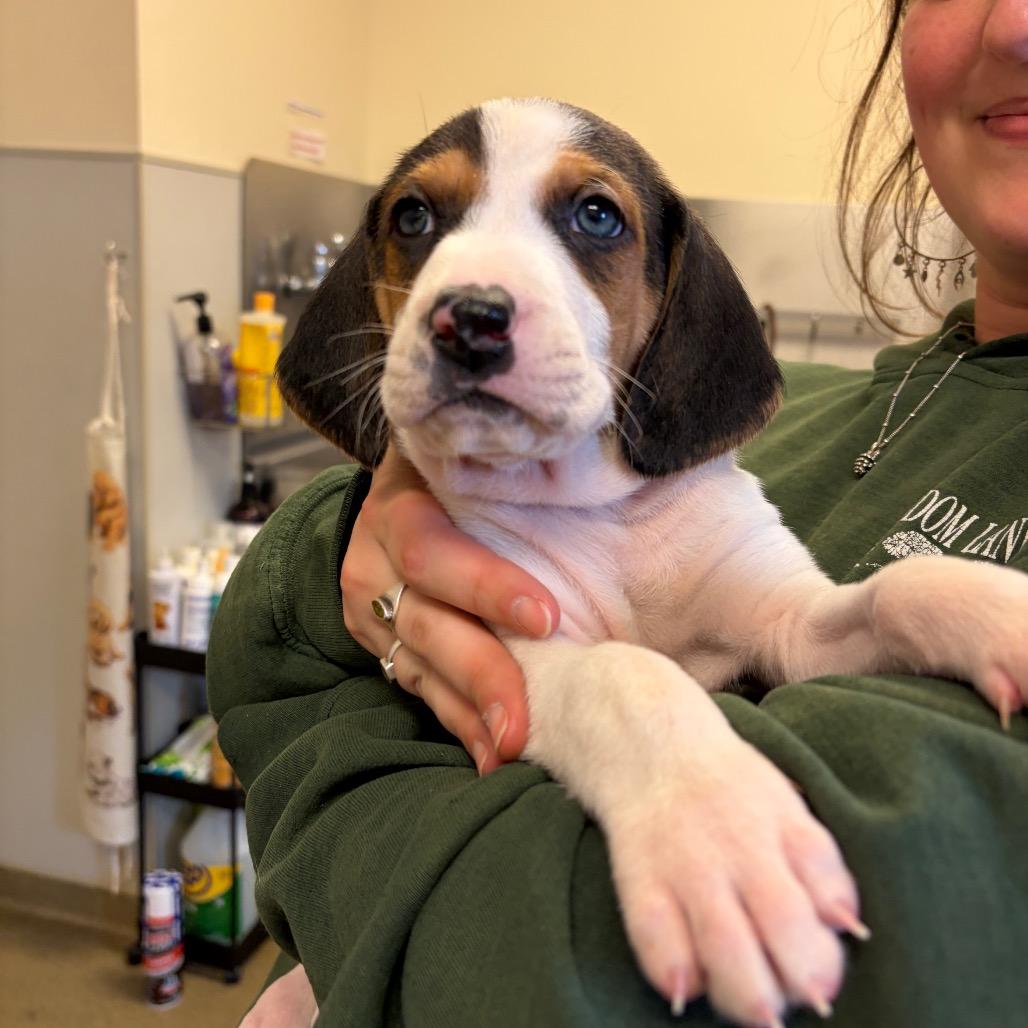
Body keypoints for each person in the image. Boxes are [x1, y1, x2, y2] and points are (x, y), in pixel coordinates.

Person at [208, 2, 1028, 1025]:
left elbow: (807, 627)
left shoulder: (702, 494)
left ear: (670, 299)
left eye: (592, 216)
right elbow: (274, 671)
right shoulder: (847, 414)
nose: (471, 296)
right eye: (419, 220)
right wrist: (330, 542)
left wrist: (919, 600)